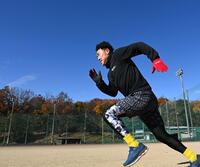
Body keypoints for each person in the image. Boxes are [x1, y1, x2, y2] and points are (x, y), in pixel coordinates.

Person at [89, 41, 200, 167]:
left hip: (142, 95)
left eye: (99, 54)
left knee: (109, 114)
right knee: (161, 135)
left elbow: (139, 46)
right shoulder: (110, 75)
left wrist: (155, 58)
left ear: (107, 51)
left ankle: (134, 145)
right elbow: (113, 92)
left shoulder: (118, 54)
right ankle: (194, 157)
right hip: (145, 103)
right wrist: (99, 83)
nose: (98, 58)